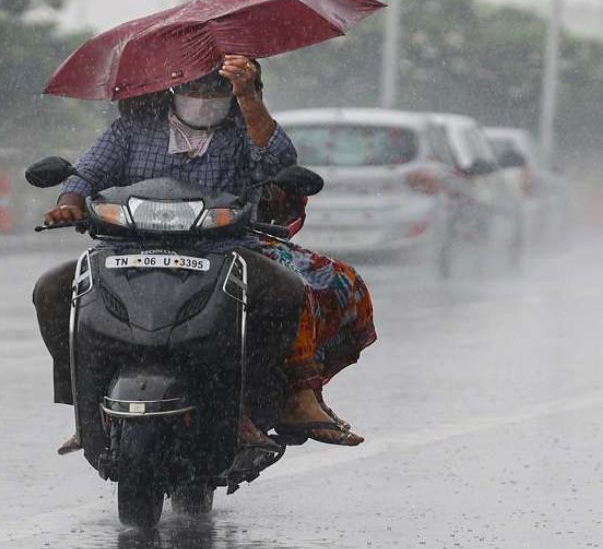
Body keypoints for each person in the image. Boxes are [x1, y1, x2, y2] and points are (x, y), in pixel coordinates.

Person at [33, 55, 376, 452]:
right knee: (52, 290)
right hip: (126, 249)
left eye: (216, 88)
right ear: (171, 89)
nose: (203, 97)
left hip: (225, 249)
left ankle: (253, 406)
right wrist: (70, 202)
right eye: (193, 87)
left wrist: (248, 97)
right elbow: (87, 173)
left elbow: (279, 161)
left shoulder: (241, 129)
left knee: (286, 291)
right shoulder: (131, 129)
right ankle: (87, 409)